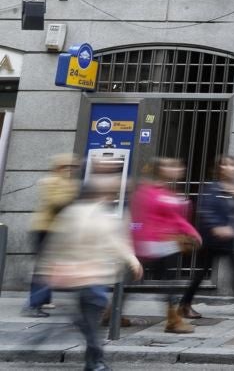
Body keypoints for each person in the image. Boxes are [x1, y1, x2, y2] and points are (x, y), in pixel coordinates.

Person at [38, 176, 144, 371]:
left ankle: (92, 360)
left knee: (87, 320)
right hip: (90, 277)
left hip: (81, 276)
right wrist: (132, 259)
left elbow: (54, 245)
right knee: (90, 322)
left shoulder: (72, 213)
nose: (113, 196)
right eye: (110, 192)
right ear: (99, 194)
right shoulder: (97, 215)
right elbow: (114, 243)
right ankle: (94, 362)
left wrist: (48, 270)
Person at [179, 156, 234, 318]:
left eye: (232, 165)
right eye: (225, 165)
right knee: (202, 271)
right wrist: (217, 227)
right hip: (213, 237)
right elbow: (206, 209)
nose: (229, 168)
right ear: (219, 169)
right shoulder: (213, 187)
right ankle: (185, 304)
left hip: (229, 236)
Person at [131, 157, 202, 334]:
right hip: (151, 244)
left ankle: (110, 314)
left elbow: (175, 218)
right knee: (162, 282)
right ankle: (173, 321)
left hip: (165, 244)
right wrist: (141, 241)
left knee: (163, 281)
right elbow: (138, 218)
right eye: (171, 166)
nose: (178, 169)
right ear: (159, 169)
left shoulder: (167, 191)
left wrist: (192, 232)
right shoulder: (146, 191)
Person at [24, 154, 81, 318]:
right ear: (58, 168)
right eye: (66, 167)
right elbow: (55, 202)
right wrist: (75, 196)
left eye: (72, 167)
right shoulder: (49, 181)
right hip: (45, 229)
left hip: (59, 231)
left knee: (51, 267)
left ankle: (44, 298)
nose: (70, 170)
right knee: (44, 268)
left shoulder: (70, 183)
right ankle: (33, 304)